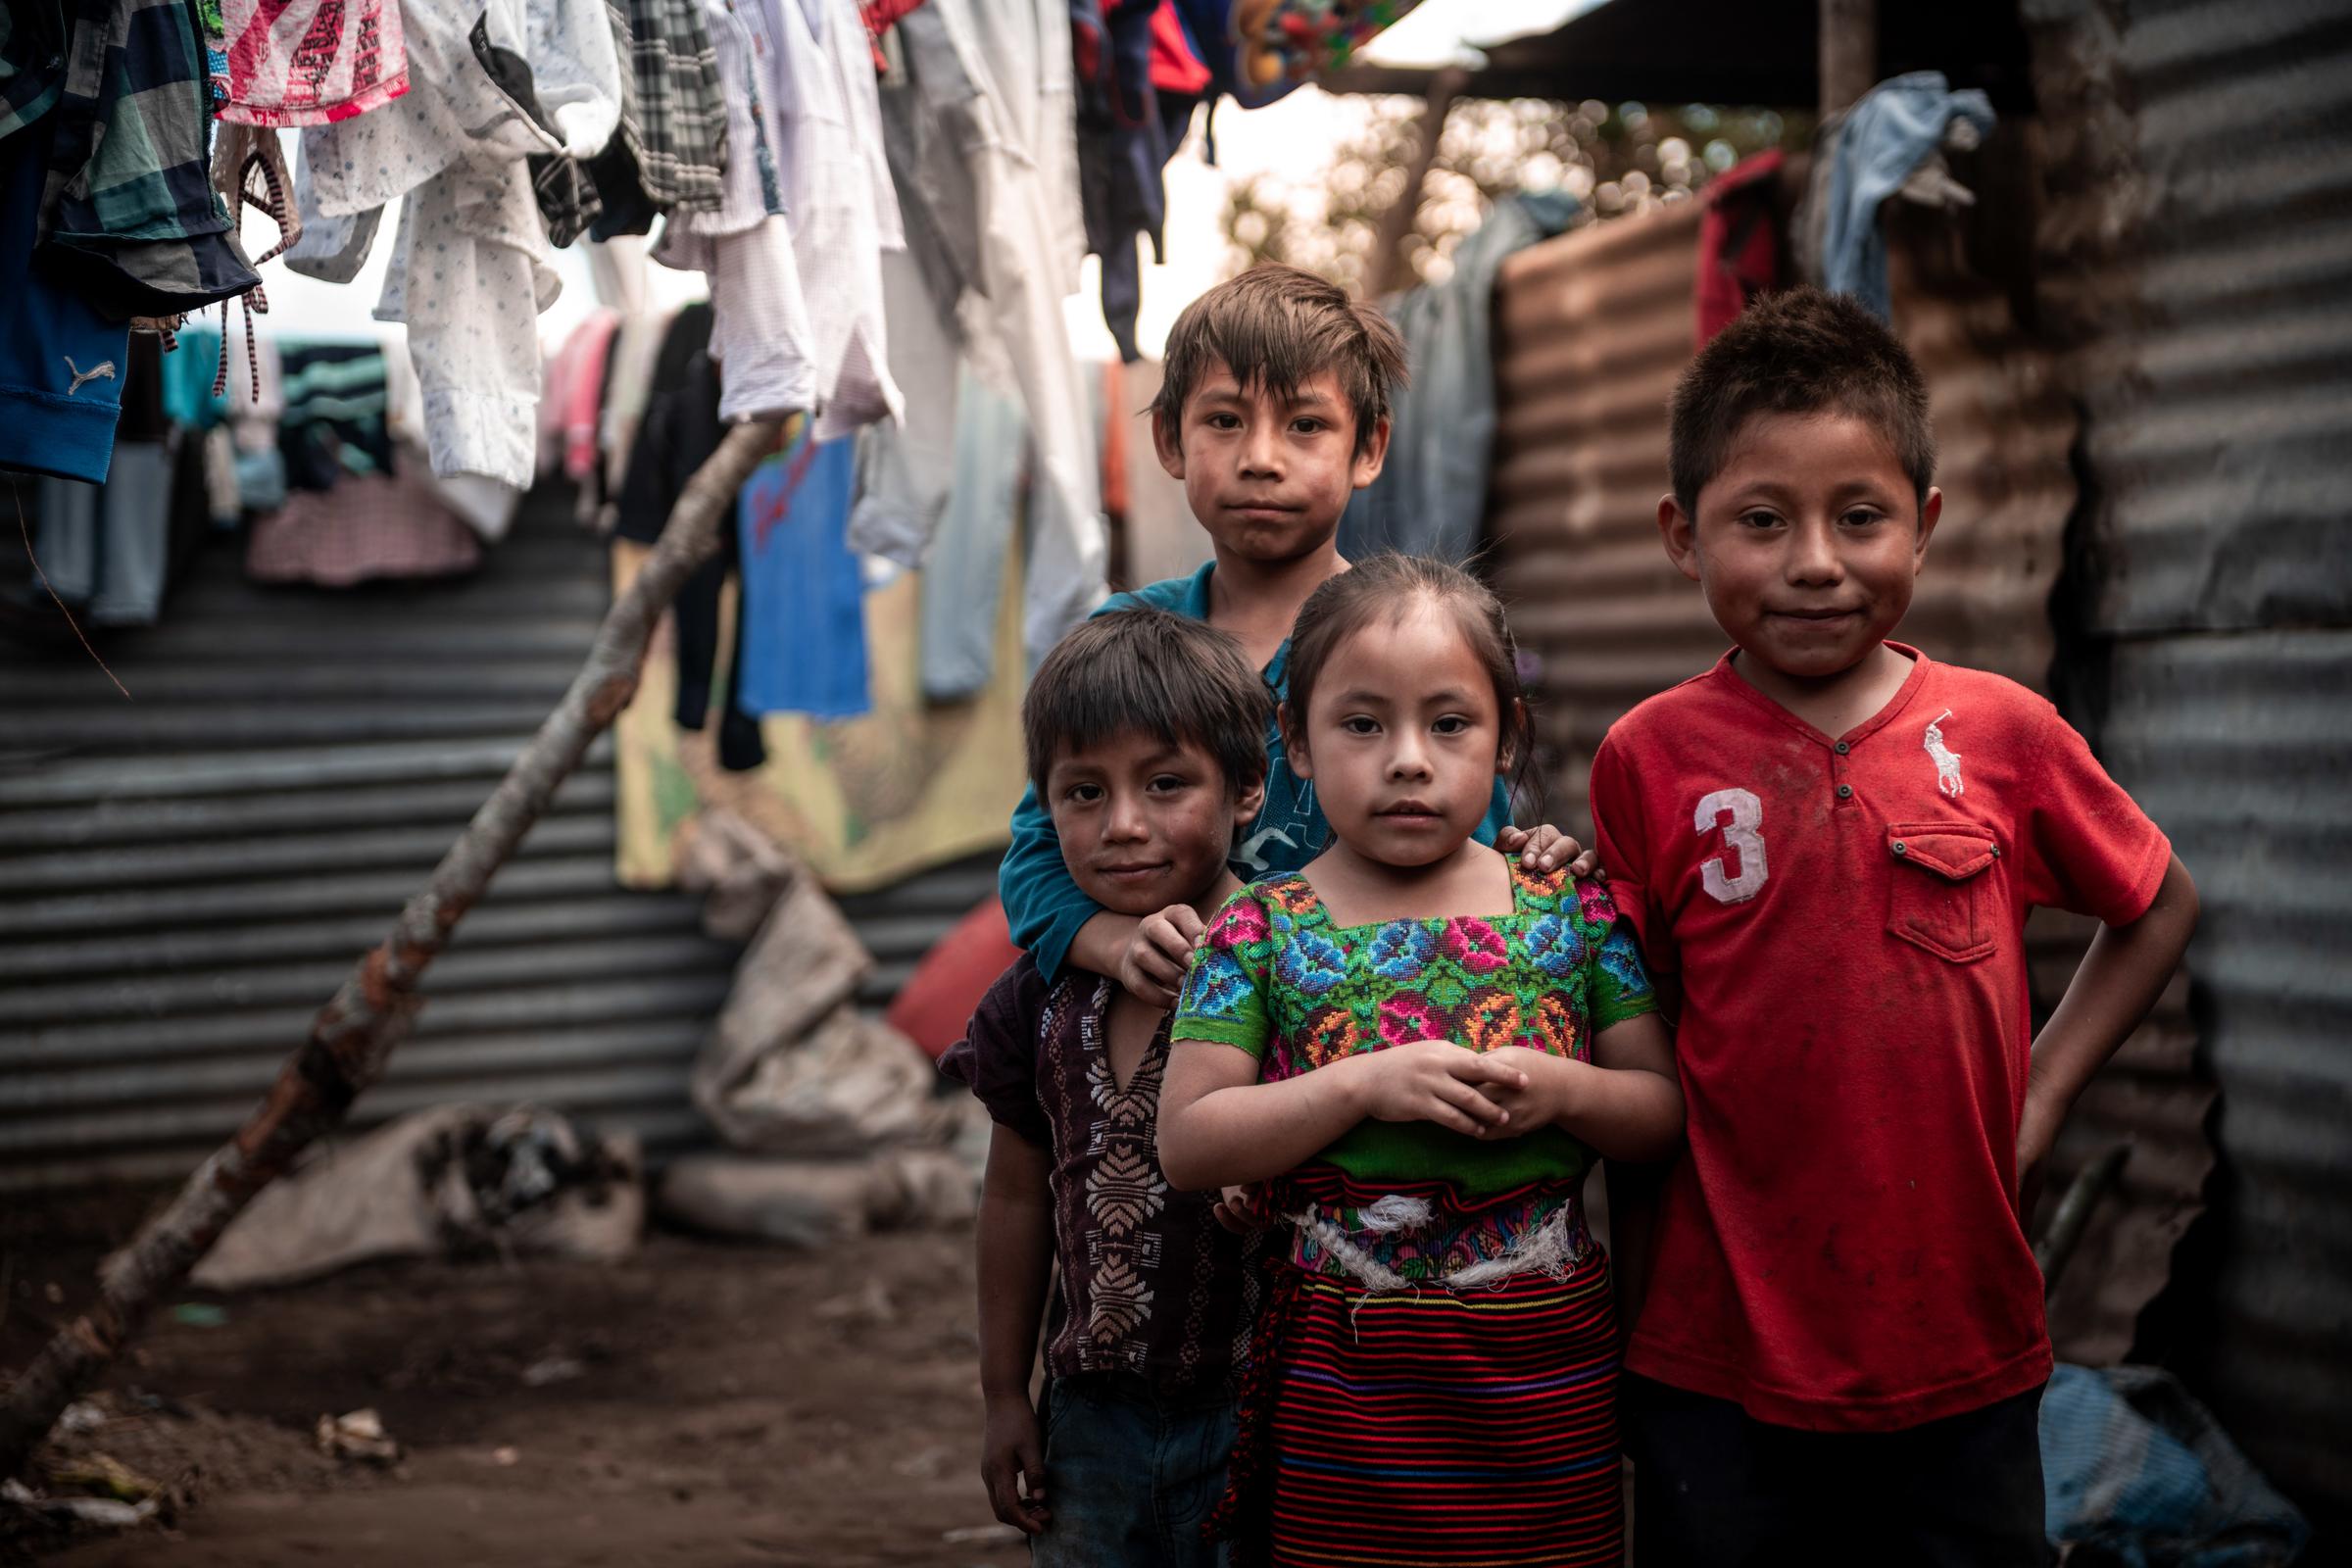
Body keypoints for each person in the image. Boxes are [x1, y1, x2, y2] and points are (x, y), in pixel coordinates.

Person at [1593, 285, 2201, 1566]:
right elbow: (1626, 1027)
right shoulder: (1648, 759)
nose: (1816, 559)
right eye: (1762, 521)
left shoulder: (2003, 736)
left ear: (1922, 529)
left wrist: (2037, 1099)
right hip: (1716, 1350)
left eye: (1858, 517)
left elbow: (2158, 905)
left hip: (1959, 1342)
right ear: (1681, 536)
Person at [1158, 556, 1686, 1567]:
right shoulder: (1259, 932)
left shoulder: (1571, 909)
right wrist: (1361, 1083)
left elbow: (1658, 1113)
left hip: (1544, 1379)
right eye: (1362, 724)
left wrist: (1564, 1089)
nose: (1408, 759)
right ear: (1296, 744)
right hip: (1345, 1380)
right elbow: (1189, 1141)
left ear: (1507, 738)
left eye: (1450, 724)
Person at [998, 263, 1584, 1014]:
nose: (1261, 458)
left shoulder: (1413, 645)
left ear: (1368, 449)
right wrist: (1117, 943)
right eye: (1225, 421)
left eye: (1305, 425)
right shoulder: (1123, 645)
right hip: (1165, 1039)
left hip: (1364, 1027)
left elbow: (1476, 855)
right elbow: (1035, 859)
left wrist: (1531, 862)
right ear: (1169, 441)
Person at [943, 609, 1280, 1567]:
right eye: (1083, 792)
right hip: (1087, 1421)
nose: (1122, 824)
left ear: (1246, 788)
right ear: (1043, 808)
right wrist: (1005, 1394)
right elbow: (1014, 1196)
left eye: (1166, 784)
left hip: (1264, 1407)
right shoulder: (1038, 997)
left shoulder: (1294, 971)